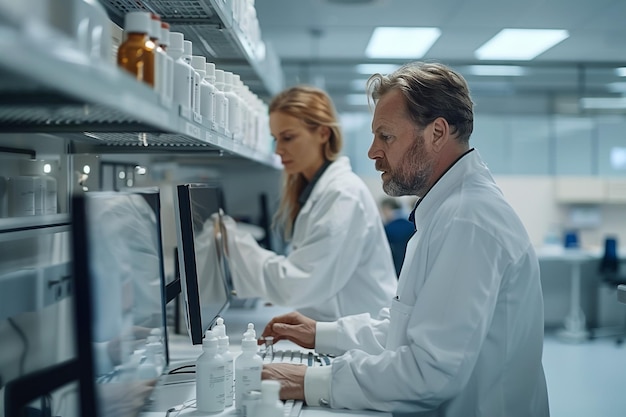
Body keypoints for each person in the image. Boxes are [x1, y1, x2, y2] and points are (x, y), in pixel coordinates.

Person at [259, 62, 549, 417]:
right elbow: (405, 329)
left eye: (386, 136)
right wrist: (320, 333)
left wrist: (308, 382)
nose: (372, 152)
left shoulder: (468, 220)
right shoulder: (447, 211)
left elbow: (429, 372)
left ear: (437, 133)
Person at [222, 85, 398, 321]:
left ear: (323, 134)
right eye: (275, 139)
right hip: (341, 328)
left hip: (363, 340)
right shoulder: (317, 191)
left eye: (288, 137)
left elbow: (297, 284)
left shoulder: (342, 195)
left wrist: (233, 241)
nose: (279, 150)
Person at [379, 197, 415, 275]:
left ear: (386, 208)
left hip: (394, 271)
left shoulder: (386, 229)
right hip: (413, 268)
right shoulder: (412, 226)